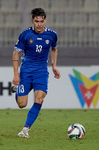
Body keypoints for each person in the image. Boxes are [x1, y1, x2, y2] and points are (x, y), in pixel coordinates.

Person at [11, 7, 61, 138]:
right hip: (26, 71)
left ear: (45, 20)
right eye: (36, 21)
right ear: (32, 20)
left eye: (41, 21)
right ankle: (19, 89)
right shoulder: (25, 34)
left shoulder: (52, 34)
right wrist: (16, 74)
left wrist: (54, 66)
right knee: (22, 104)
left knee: (40, 98)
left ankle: (25, 130)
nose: (39, 24)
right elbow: (16, 53)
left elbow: (54, 49)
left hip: (41, 72)